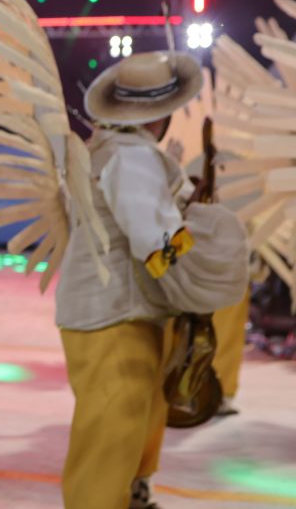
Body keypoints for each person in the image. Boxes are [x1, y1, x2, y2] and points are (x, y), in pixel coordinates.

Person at [57, 52, 248, 509]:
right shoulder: (132, 157)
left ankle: (135, 491)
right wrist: (194, 274)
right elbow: (154, 239)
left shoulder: (104, 151)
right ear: (159, 116)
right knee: (112, 428)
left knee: (140, 413)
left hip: (117, 310)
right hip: (115, 314)